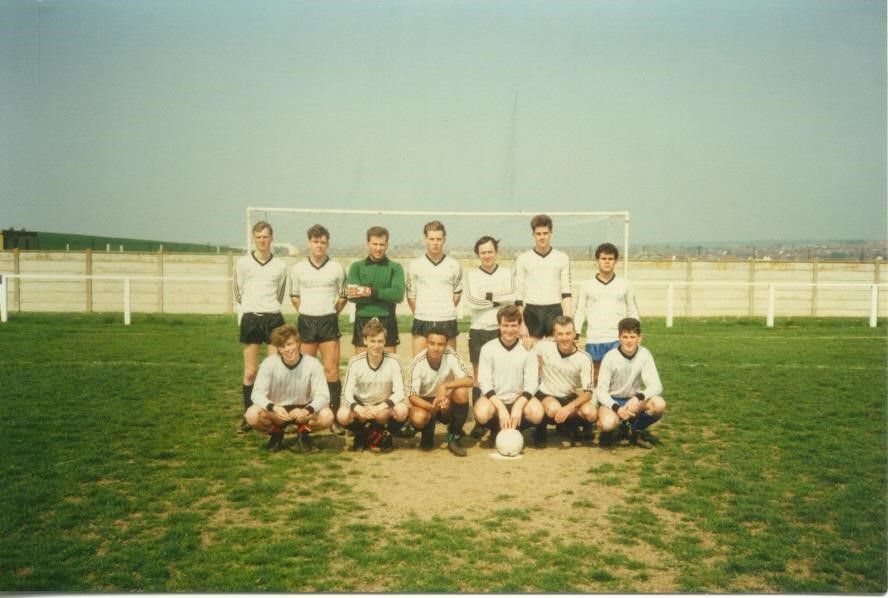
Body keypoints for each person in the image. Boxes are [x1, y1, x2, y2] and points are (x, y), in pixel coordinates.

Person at [289, 224, 347, 433]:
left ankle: (333, 417)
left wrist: (330, 312)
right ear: (309, 243)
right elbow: (294, 297)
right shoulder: (298, 268)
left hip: (328, 322)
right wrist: (308, 311)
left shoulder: (337, 268)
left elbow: (343, 296)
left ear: (327, 243)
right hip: (306, 322)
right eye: (315, 241)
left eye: (323, 242)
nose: (319, 245)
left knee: (331, 370)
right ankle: (302, 416)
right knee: (304, 372)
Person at [233, 221, 289, 434]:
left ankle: (275, 415)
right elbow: (237, 291)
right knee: (250, 371)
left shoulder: (281, 266)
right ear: (253, 238)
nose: (262, 240)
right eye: (258, 237)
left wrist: (267, 308)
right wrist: (252, 307)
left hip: (273, 319)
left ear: (271, 238)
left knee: (275, 370)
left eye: (265, 236)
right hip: (251, 319)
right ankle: (249, 415)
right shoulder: (243, 263)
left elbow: (280, 293)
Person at [244, 325, 334, 452]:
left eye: (289, 344)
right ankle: (276, 433)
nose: (287, 349)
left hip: (303, 410)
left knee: (327, 416)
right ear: (278, 349)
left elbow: (324, 395)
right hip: (278, 411)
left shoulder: (312, 363)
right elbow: (256, 394)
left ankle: (303, 433)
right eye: (282, 346)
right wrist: (273, 407)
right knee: (252, 415)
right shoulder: (269, 363)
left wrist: (306, 411)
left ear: (297, 343)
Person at [463, 235, 517, 438]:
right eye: (483, 252)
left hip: (499, 330)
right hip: (478, 330)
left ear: (496, 252)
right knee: (478, 378)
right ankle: (479, 421)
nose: (487, 256)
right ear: (478, 254)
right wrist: (497, 299)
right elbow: (471, 301)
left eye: (490, 252)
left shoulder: (506, 272)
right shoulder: (472, 275)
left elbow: (511, 296)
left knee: (499, 376)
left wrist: (486, 296)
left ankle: (496, 422)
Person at [473, 305, 544, 447]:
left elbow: (532, 383)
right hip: (495, 400)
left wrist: (518, 405)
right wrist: (501, 408)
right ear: (499, 325)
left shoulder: (527, 349)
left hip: (519, 398)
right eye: (505, 325)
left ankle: (517, 427)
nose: (509, 330)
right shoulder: (488, 348)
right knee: (481, 413)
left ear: (519, 326)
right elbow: (484, 382)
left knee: (537, 414)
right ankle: (496, 428)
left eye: (513, 325)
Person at [337, 318, 408, 452]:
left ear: (385, 341)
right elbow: (345, 393)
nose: (376, 345)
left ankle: (386, 434)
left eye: (380, 341)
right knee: (342, 415)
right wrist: (359, 409)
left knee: (402, 411)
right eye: (372, 341)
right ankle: (361, 433)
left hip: (382, 404)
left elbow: (400, 392)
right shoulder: (355, 362)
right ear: (365, 341)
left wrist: (380, 407)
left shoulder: (394, 361)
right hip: (361, 404)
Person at [595, 317, 666, 449]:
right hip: (612, 401)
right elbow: (601, 392)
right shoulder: (610, 357)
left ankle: (635, 430)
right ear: (619, 337)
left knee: (659, 404)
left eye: (632, 337)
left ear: (640, 337)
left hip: (633, 401)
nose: (628, 341)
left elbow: (657, 386)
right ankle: (613, 429)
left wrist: (638, 397)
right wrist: (617, 408)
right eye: (625, 336)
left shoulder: (645, 354)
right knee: (607, 424)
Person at [573, 242, 639, 384]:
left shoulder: (625, 284)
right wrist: (576, 333)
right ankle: (596, 403)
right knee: (595, 376)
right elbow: (580, 311)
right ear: (597, 260)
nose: (607, 262)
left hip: (616, 337)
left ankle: (616, 404)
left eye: (610, 259)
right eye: (604, 258)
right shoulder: (586, 285)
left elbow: (632, 309)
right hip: (595, 338)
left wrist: (637, 333)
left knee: (618, 375)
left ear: (615, 261)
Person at [407, 327, 474, 456]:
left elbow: (469, 380)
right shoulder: (417, 362)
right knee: (418, 417)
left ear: (446, 345)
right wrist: (432, 406)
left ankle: (453, 436)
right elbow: (412, 396)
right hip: (425, 403)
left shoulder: (451, 355)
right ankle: (427, 432)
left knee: (461, 392)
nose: (436, 348)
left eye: (440, 344)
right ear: (426, 343)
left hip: (445, 400)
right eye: (432, 343)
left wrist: (445, 386)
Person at [533, 316, 597, 448]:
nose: (564, 337)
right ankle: (541, 429)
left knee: (590, 413)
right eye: (560, 334)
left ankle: (569, 425)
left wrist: (569, 408)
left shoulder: (584, 357)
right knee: (554, 409)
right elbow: (528, 351)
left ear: (574, 334)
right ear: (554, 335)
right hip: (547, 394)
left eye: (568, 333)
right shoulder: (543, 346)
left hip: (569, 396)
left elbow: (588, 393)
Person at [514, 214, 572, 348]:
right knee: (531, 353)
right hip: (532, 310)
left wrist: (568, 319)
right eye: (538, 233)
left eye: (545, 233)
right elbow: (518, 293)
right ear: (533, 234)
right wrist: (521, 323)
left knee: (554, 352)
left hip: (554, 309)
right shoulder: (523, 258)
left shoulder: (562, 257)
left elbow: (566, 291)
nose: (542, 237)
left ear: (551, 233)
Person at [406, 220, 463, 355]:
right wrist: (422, 311)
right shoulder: (415, 265)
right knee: (418, 364)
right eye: (431, 239)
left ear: (444, 240)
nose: (435, 242)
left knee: (449, 366)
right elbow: (411, 295)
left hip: (447, 319)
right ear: (425, 239)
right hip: (422, 319)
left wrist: (444, 309)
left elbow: (457, 293)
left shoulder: (454, 265)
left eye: (439, 239)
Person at [347, 226, 405, 354]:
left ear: (387, 245)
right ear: (368, 243)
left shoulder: (395, 268)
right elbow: (352, 296)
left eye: (382, 244)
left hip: (387, 319)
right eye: (374, 244)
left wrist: (371, 292)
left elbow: (398, 294)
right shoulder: (356, 267)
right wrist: (385, 294)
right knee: (361, 366)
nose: (378, 248)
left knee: (389, 366)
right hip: (362, 319)